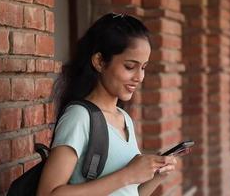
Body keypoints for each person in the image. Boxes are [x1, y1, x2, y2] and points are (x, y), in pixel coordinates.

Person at [37, 13, 177, 196]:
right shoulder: (79, 117)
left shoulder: (124, 118)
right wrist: (127, 174)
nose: (139, 77)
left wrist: (157, 175)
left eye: (143, 67)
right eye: (129, 66)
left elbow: (128, 192)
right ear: (100, 62)